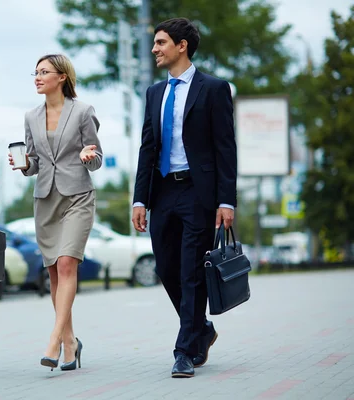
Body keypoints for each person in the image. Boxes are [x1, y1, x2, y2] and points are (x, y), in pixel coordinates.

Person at [132, 18, 237, 378]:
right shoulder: (154, 93)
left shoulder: (214, 88)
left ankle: (184, 350)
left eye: (161, 42)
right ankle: (202, 330)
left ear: (182, 46)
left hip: (198, 192)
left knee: (192, 270)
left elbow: (226, 148)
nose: (154, 49)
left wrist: (227, 201)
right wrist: (139, 200)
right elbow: (148, 148)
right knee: (166, 267)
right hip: (163, 192)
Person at [9, 54, 102, 371]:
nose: (37, 77)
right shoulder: (31, 116)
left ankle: (54, 340)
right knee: (53, 273)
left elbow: (96, 156)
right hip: (45, 198)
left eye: (44, 72)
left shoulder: (83, 111)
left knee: (66, 264)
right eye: (35, 72)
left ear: (62, 77)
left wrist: (89, 155)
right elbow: (34, 161)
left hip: (77, 194)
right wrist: (24, 165)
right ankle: (71, 342)